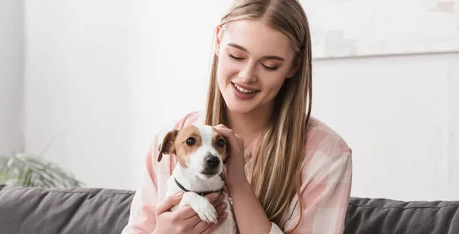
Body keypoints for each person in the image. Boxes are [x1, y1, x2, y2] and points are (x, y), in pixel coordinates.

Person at [121, 0, 353, 233]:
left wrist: (239, 184)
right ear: (219, 40)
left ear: (294, 66)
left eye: (270, 65)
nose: (246, 76)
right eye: (236, 56)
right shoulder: (174, 137)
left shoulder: (325, 155)